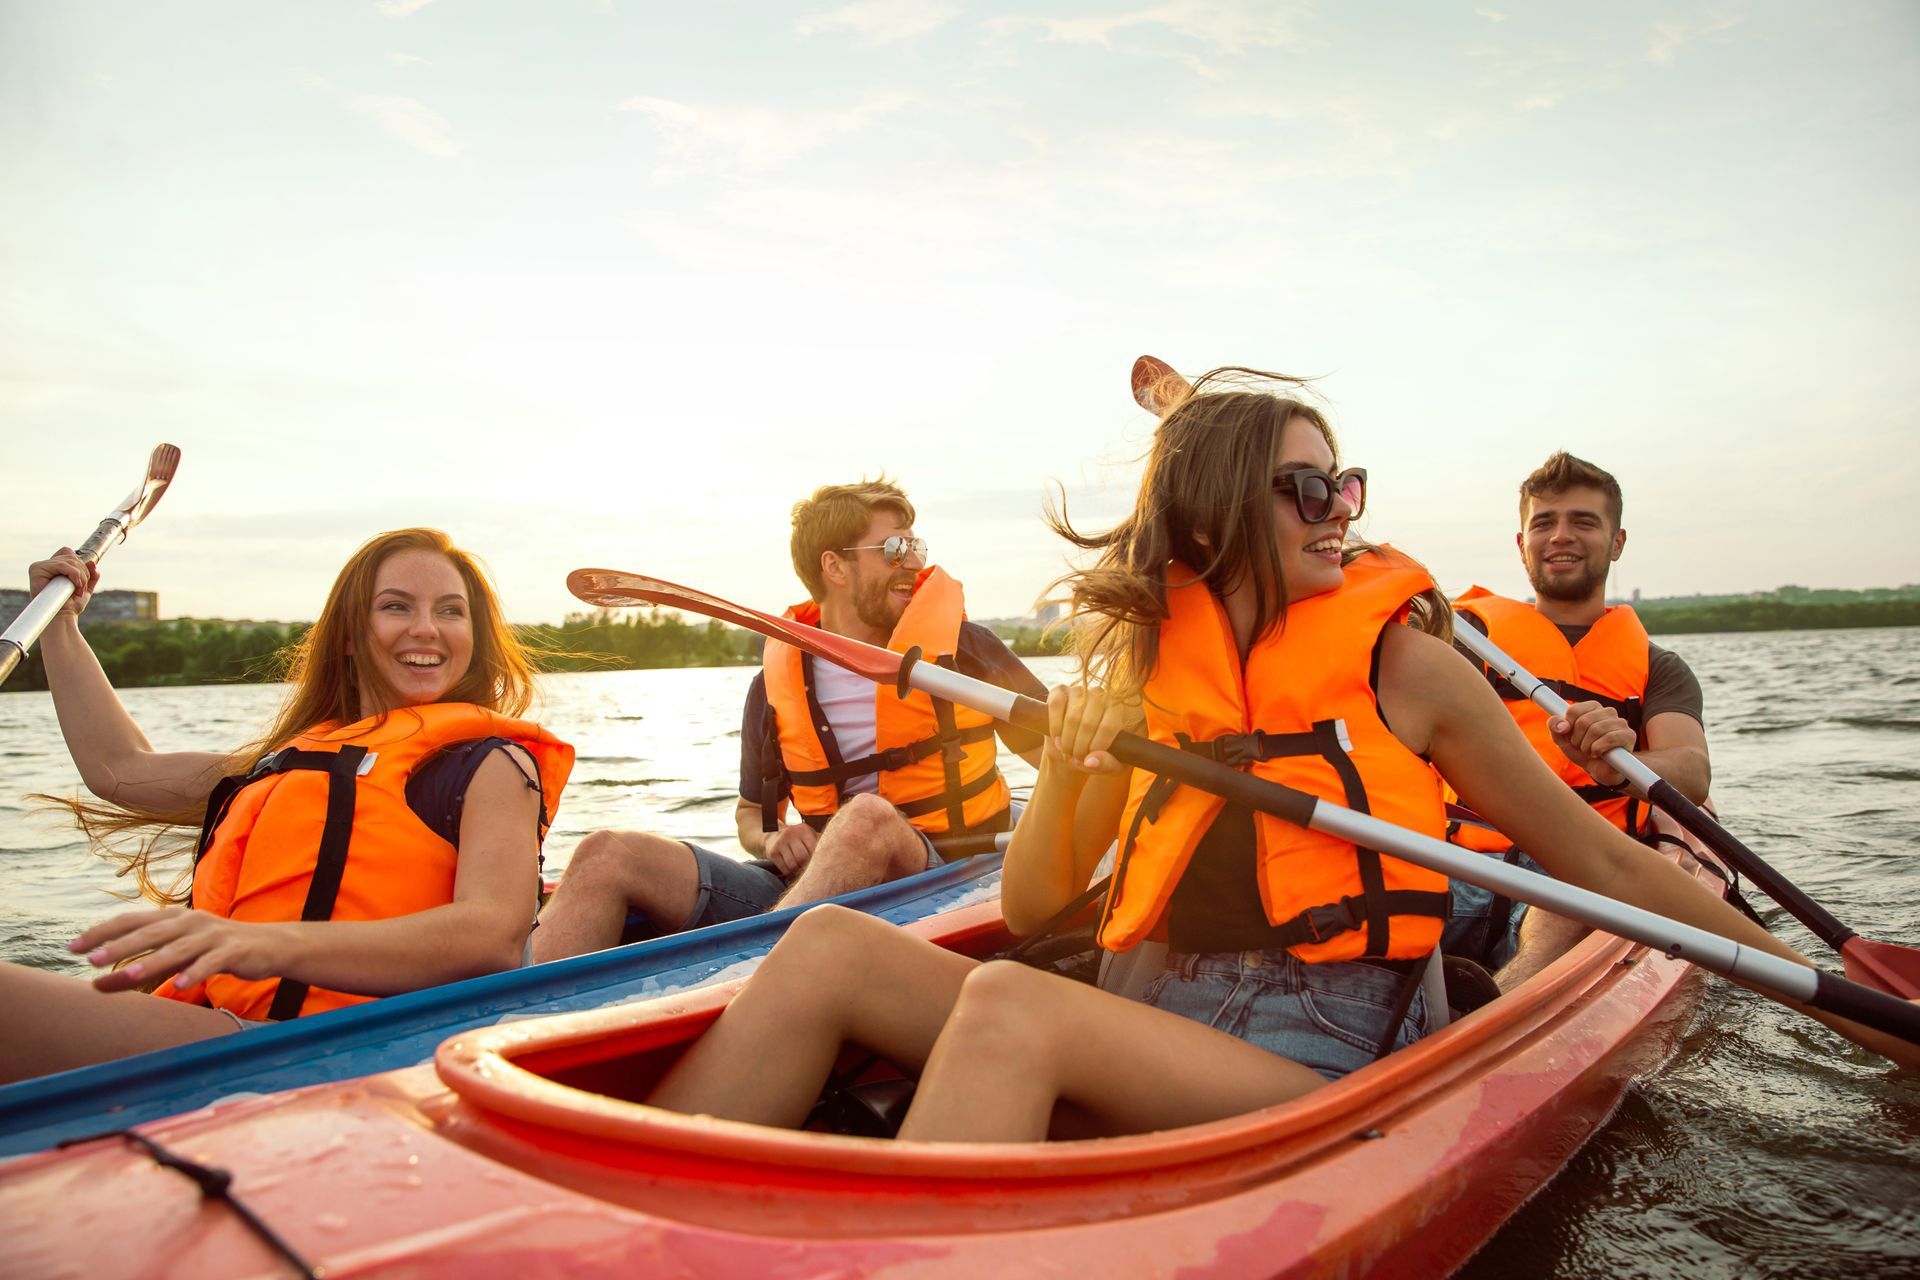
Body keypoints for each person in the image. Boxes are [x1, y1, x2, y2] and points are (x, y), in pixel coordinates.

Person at [636, 363, 1910, 1144]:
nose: (1340, 513)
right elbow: (1032, 905)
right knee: (827, 944)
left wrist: (1826, 990)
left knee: (1013, 1009)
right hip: (1145, 1011)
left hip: (1311, 1060)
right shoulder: (1142, 663)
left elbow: (1604, 864)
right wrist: (1078, 765)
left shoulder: (1405, 665)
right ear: (1212, 510)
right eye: (1308, 489)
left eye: (1342, 486)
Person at [0, 528, 573, 1083]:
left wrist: (262, 944)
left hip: (357, 1048)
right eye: (396, 607)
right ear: (350, 634)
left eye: (451, 611)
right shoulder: (284, 764)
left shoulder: (490, 765)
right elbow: (118, 770)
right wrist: (62, 625)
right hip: (246, 1032)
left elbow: (493, 937)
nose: (427, 629)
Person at [531, 479, 1044, 962]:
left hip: (947, 876)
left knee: (866, 820)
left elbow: (1060, 758)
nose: (914, 563)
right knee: (605, 854)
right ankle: (505, 1029)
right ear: (835, 567)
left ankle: (757, 983)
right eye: (893, 550)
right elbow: (751, 815)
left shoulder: (964, 651)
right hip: (811, 890)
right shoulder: (775, 686)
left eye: (916, 547)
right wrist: (772, 840)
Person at [1442, 452, 1709, 987]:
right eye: (1544, 523)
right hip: (1452, 859)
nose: (1560, 535)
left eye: (1583, 521)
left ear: (1617, 542)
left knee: (1577, 900)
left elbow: (1692, 772)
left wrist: (1620, 765)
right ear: (1522, 545)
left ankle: (1495, 1018)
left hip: (1573, 871)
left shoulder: (1659, 668)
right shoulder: (1459, 645)